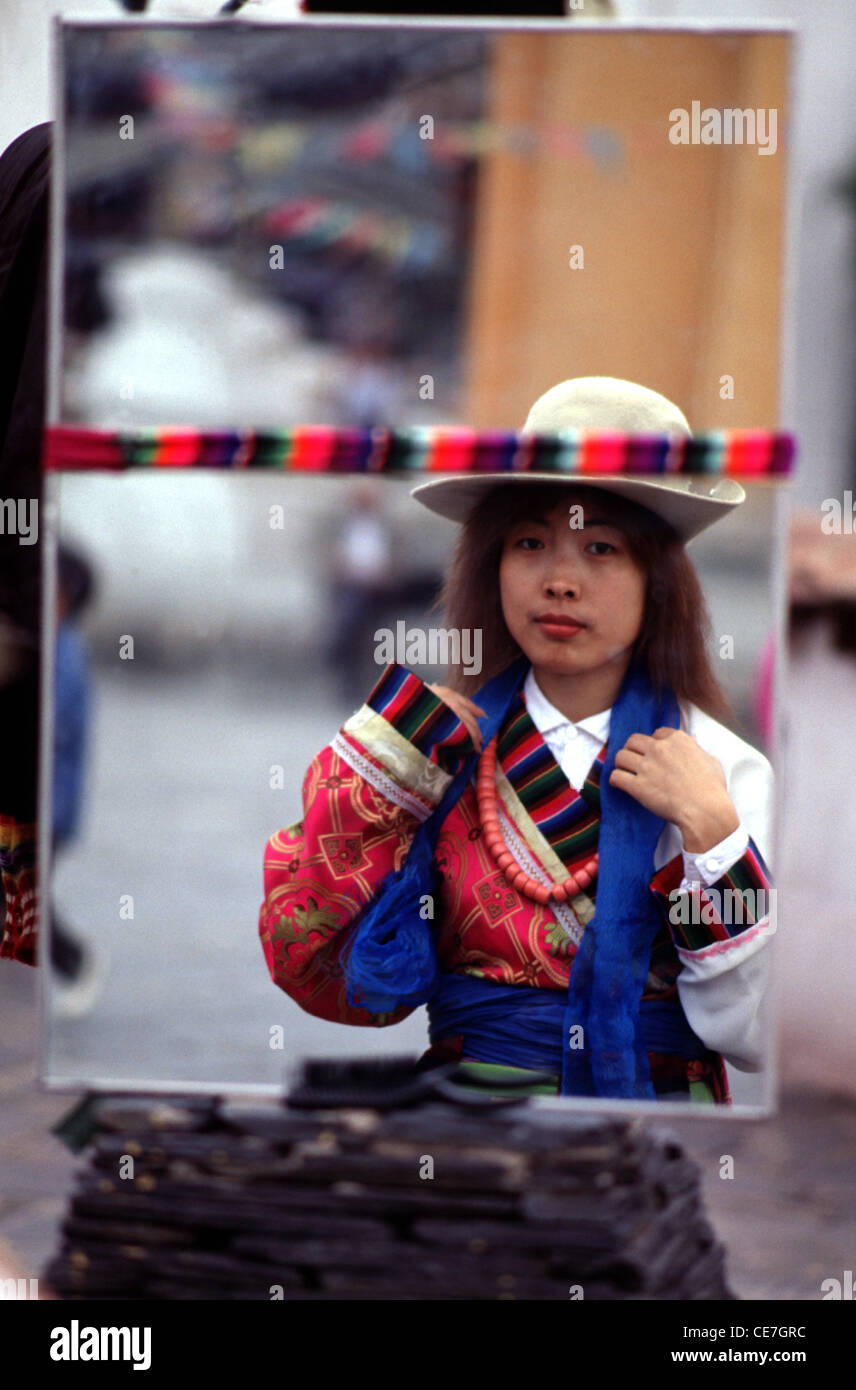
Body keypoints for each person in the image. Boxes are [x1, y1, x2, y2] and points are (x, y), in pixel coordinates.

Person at [258, 377, 775, 1104]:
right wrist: (382, 768)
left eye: (601, 548)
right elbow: (321, 972)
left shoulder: (718, 770)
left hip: (649, 1138)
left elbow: (755, 1034)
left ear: (658, 582)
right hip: (466, 1128)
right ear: (491, 563)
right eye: (530, 542)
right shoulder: (430, 754)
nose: (560, 580)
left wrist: (715, 837)